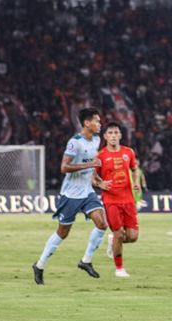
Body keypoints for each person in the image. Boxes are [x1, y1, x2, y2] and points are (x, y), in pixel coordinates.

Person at [32, 108, 111, 285]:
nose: (100, 124)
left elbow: (90, 169)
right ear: (87, 123)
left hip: (87, 192)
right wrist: (90, 164)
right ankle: (40, 265)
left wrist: (97, 181)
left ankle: (86, 261)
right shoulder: (75, 143)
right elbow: (64, 167)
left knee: (102, 223)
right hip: (70, 195)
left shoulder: (97, 140)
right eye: (97, 121)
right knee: (62, 233)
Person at [95, 122, 140, 277]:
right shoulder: (100, 155)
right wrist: (100, 183)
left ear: (120, 135)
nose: (113, 136)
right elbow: (92, 177)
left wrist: (136, 182)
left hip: (128, 200)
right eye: (110, 133)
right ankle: (119, 269)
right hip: (111, 200)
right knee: (119, 234)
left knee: (133, 237)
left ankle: (113, 241)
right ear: (105, 136)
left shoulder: (129, 152)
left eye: (116, 133)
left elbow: (135, 169)